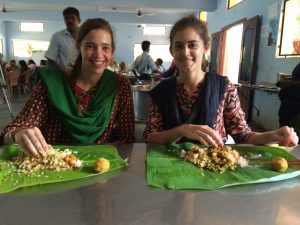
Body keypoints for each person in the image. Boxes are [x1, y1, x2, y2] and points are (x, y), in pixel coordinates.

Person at [143, 15, 298, 147]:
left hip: (213, 171)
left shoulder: (223, 88)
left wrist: (273, 136)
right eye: (178, 46)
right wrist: (182, 130)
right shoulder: (162, 91)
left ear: (206, 48)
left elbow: (242, 134)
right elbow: (149, 137)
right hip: (169, 171)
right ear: (172, 51)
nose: (185, 52)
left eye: (192, 45)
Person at [0, 18, 135, 157]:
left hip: (100, 167)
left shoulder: (120, 85)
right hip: (55, 166)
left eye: (105, 47)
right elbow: (12, 129)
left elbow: (127, 138)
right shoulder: (53, 83)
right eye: (90, 46)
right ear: (78, 47)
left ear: (112, 51)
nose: (98, 54)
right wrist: (17, 135)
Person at [277, 61, 300, 142]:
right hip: (289, 103)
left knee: (295, 137)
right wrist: (290, 80)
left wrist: (289, 83)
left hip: (297, 107)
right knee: (283, 133)